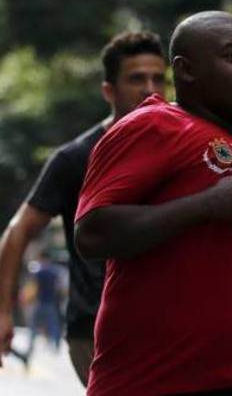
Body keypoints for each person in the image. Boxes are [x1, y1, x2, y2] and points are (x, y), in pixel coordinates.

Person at [74, 11, 232, 395]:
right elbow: (91, 234)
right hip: (158, 381)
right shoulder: (152, 126)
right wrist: (203, 205)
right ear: (186, 70)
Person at [0, 30, 166, 383]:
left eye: (158, 78)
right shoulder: (75, 157)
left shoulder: (181, 147)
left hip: (165, 322)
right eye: (136, 79)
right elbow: (18, 231)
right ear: (109, 90)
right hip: (94, 329)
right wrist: (3, 312)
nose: (150, 89)